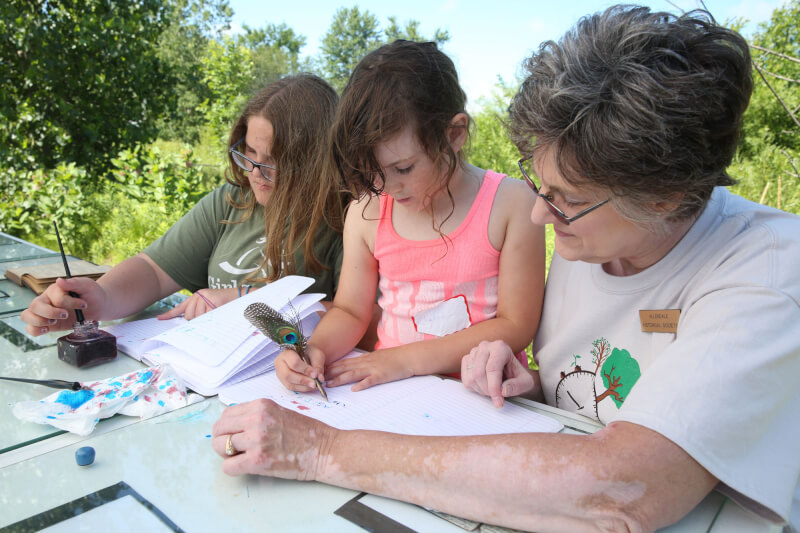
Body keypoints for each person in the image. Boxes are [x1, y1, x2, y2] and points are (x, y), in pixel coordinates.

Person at [211, 7, 800, 532]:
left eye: (566, 197)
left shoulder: (767, 274)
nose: (541, 213)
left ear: (666, 196)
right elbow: (592, 390)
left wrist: (321, 451)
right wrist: (528, 383)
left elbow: (624, 488)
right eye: (539, 181)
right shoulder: (595, 236)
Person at [274, 40, 545, 394]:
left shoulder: (511, 205)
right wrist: (315, 349)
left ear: (454, 135)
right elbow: (351, 311)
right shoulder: (367, 212)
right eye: (372, 171)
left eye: (403, 168)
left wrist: (405, 360)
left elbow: (516, 325)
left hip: (483, 396)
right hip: (392, 396)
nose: (389, 187)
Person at [21, 74, 346, 335]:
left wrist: (242, 299)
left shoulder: (344, 220)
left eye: (274, 162)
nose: (256, 174)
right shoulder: (233, 201)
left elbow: (365, 320)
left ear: (314, 160)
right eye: (249, 153)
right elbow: (154, 270)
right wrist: (98, 300)